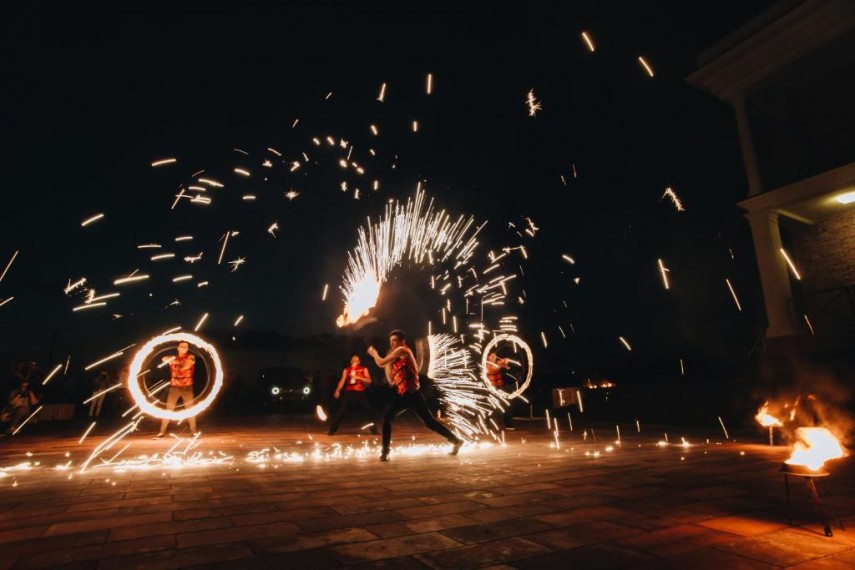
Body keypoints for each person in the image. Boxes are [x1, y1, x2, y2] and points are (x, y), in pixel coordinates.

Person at [367, 329, 463, 461]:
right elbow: (391, 381)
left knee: (428, 423)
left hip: (411, 394)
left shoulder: (403, 350)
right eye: (391, 341)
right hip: (404, 394)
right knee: (391, 418)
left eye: (395, 340)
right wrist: (388, 362)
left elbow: (380, 362)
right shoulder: (397, 358)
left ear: (402, 341)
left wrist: (374, 353)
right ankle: (456, 441)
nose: (393, 343)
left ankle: (385, 452)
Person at [156, 341, 198, 438]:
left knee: (190, 410)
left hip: (187, 387)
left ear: (187, 349)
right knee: (168, 410)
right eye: (182, 346)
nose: (184, 348)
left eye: (186, 347)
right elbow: (163, 359)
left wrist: (177, 363)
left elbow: (188, 365)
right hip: (174, 387)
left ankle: (194, 431)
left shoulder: (190, 356)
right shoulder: (173, 357)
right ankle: (162, 431)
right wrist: (175, 360)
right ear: (178, 348)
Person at [328, 355, 378, 436]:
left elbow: (369, 380)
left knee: (368, 409)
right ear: (351, 361)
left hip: (360, 392)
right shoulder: (346, 370)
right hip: (349, 392)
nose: (355, 362)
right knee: (342, 410)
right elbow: (342, 381)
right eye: (353, 361)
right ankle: (332, 430)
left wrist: (358, 377)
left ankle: (373, 430)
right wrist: (337, 390)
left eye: (357, 361)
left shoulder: (364, 369)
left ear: (359, 362)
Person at [486, 351, 515, 430]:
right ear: (488, 357)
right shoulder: (486, 364)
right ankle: (486, 425)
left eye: (495, 356)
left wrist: (506, 363)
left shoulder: (498, 363)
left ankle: (509, 425)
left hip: (500, 387)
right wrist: (501, 364)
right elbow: (493, 368)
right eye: (492, 356)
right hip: (491, 388)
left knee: (506, 405)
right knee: (489, 407)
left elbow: (508, 368)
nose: (494, 357)